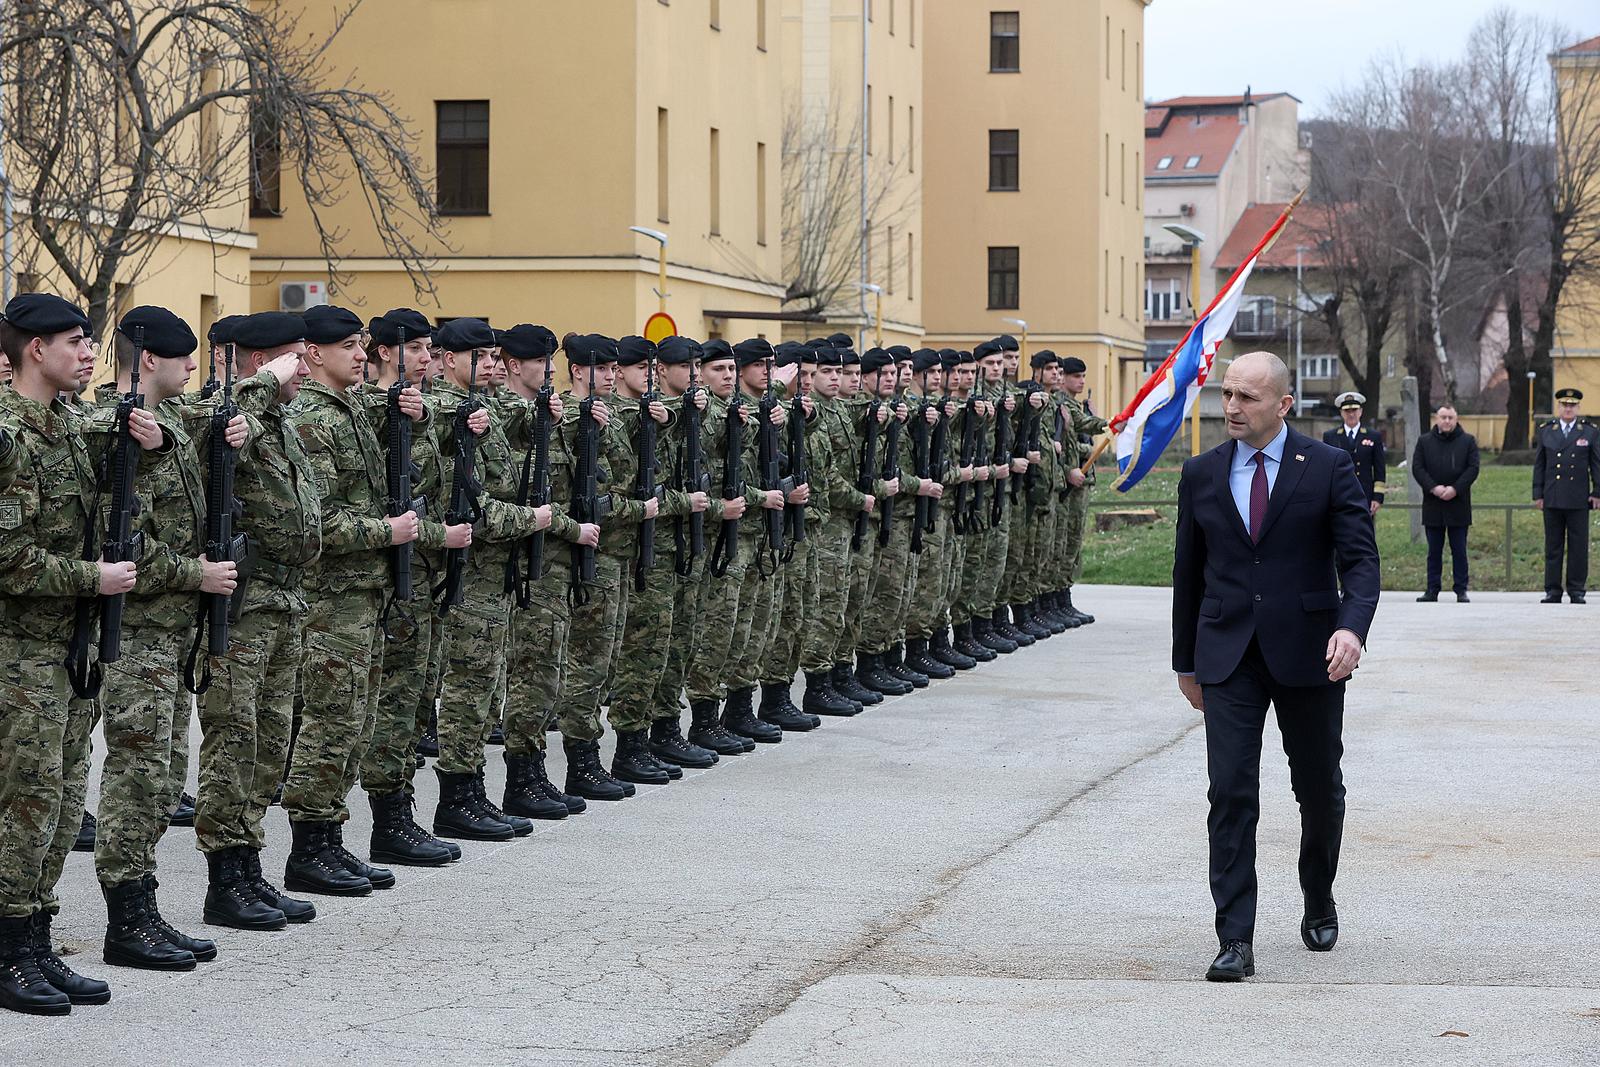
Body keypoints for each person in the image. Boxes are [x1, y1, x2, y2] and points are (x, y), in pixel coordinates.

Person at [1172, 350, 1379, 983]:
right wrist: (1185, 662)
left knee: (1318, 789)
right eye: (1227, 394)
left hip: (1311, 652)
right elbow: (1188, 574)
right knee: (1231, 791)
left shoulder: (1328, 466)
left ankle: (1318, 892)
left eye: (1247, 397)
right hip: (1227, 655)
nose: (1232, 407)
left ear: (1283, 404)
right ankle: (1234, 936)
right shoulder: (1201, 473)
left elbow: (1360, 561)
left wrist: (1351, 628)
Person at [0, 293, 145, 1015]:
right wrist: (94, 577)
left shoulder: (64, 426)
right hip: (19, 653)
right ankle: (7, 949)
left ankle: (34, 939)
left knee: (58, 802)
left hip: (66, 646)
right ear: (36, 349)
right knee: (23, 802)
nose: (90, 354)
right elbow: (8, 558)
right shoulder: (10, 436)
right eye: (76, 341)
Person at [193, 313, 322, 930]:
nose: (304, 370)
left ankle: (249, 867)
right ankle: (225, 878)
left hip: (285, 601)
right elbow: (210, 436)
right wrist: (262, 383)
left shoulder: (279, 421)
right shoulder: (225, 413)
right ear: (258, 363)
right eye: (295, 359)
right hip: (242, 608)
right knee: (233, 740)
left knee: (270, 741)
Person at [1532, 388, 1600, 604]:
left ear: (1578, 407)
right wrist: (1538, 493)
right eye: (1564, 405)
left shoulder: (1589, 431)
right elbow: (1540, 464)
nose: (1568, 409)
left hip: (1578, 498)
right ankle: (1553, 590)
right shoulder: (1546, 430)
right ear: (1558, 407)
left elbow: (1596, 464)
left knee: (1578, 546)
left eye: (1572, 405)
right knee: (1553, 545)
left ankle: (1576, 589)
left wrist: (1597, 492)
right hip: (1552, 496)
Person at [1411, 406, 1479, 603]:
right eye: (1443, 417)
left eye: (1450, 417)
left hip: (1458, 504)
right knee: (1434, 551)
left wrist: (1455, 489)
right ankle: (1432, 589)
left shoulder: (1468, 441)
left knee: (1459, 550)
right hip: (1433, 504)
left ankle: (1461, 589)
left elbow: (1473, 468)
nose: (1447, 421)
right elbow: (1418, 468)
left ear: (1456, 419)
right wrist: (1434, 488)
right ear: (1436, 418)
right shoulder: (1424, 441)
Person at [1322, 391, 1386, 518]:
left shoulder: (1373, 436)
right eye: (1347, 411)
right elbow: (1325, 470)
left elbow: (1379, 469)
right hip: (1338, 495)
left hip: (1365, 495)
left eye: (1354, 410)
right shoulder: (1330, 437)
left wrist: (1377, 497)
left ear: (1361, 411)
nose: (1351, 414)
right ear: (1341, 413)